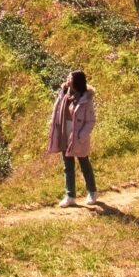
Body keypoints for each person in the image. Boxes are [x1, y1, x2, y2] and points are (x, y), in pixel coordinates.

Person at [48, 69, 97, 206]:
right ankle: (70, 196)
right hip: (65, 132)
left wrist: (82, 136)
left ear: (76, 82)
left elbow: (91, 121)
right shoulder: (63, 93)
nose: (67, 79)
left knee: (84, 164)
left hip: (78, 135)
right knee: (67, 166)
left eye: (70, 77)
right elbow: (56, 111)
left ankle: (92, 192)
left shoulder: (85, 99)